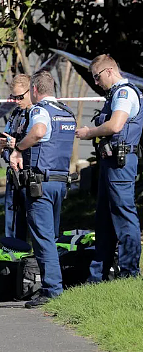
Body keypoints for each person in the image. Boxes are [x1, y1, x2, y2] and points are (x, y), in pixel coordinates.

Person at [10, 70, 76, 308]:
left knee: (43, 238)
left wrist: (18, 147)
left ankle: (52, 290)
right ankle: (55, 285)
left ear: (35, 90)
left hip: (41, 184)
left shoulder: (40, 110)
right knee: (52, 235)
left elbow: (38, 132)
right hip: (60, 182)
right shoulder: (66, 113)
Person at [75, 54, 143, 282]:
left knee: (124, 216)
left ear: (109, 71)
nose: (96, 82)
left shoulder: (124, 93)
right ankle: (97, 277)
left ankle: (129, 273)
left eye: (96, 77)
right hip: (110, 163)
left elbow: (115, 125)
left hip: (121, 164)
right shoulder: (114, 94)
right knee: (104, 219)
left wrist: (88, 133)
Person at [0, 74, 31, 241]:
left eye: (20, 97)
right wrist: (2, 145)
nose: (17, 101)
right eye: (13, 97)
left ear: (32, 91)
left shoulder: (38, 113)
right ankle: (12, 260)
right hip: (13, 175)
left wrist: (14, 144)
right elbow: (1, 145)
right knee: (12, 223)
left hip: (29, 175)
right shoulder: (15, 114)